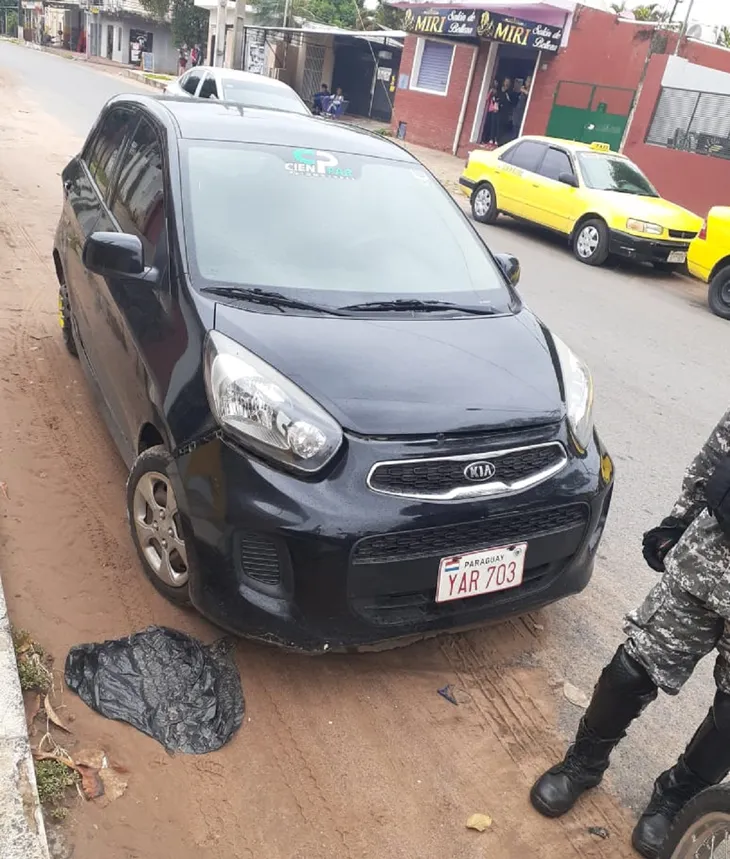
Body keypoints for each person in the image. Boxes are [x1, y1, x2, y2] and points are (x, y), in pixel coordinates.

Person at [530, 408, 730, 859]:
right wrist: (677, 522)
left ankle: (674, 800)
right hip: (709, 563)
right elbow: (719, 452)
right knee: (633, 670)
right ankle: (582, 764)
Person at [495, 78, 516, 145]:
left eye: (508, 82)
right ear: (503, 82)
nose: (507, 83)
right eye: (506, 82)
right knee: (496, 124)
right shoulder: (500, 90)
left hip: (505, 112)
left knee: (502, 127)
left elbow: (512, 103)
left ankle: (499, 141)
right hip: (498, 110)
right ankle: (493, 139)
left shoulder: (510, 92)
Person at [482, 79, 500, 146]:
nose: (496, 84)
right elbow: (487, 98)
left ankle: (491, 139)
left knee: (492, 125)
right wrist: (490, 92)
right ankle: (485, 139)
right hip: (489, 109)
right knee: (487, 124)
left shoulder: (498, 92)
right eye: (494, 82)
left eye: (497, 83)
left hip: (494, 110)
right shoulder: (491, 90)